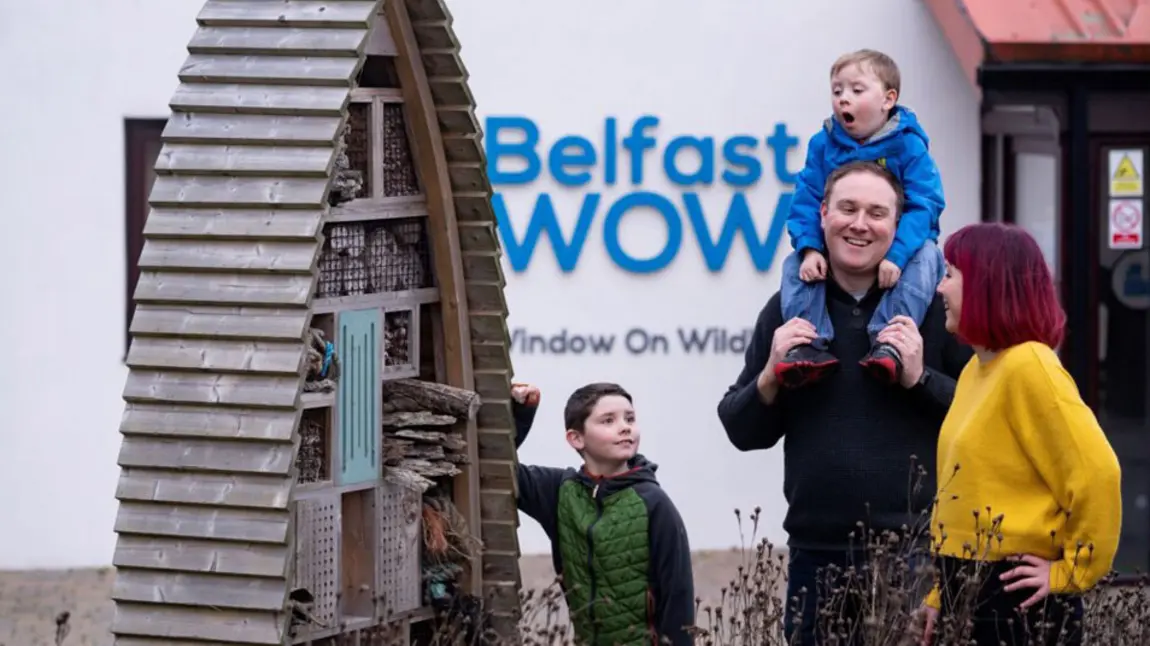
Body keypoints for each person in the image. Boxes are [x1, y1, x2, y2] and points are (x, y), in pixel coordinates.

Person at [716, 161, 971, 646]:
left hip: (914, 552)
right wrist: (771, 374)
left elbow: (979, 422)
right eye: (847, 208)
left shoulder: (938, 312)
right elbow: (741, 430)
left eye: (877, 213)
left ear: (898, 226)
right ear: (822, 214)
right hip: (814, 555)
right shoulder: (788, 309)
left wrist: (920, 379)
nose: (859, 224)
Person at [918, 223, 1122, 646]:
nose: (940, 288)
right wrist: (943, 592)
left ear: (986, 285)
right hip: (968, 588)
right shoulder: (978, 369)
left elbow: (1097, 473)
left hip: (1015, 599)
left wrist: (1073, 571)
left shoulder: (1030, 367)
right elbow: (967, 492)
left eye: (951, 274)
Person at [777, 49, 947, 388]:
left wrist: (897, 255)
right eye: (837, 90)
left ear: (888, 99)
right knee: (794, 266)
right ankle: (809, 343)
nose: (843, 99)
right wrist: (810, 247)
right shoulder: (824, 144)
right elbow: (807, 198)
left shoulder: (908, 146)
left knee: (929, 258)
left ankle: (890, 342)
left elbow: (925, 204)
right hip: (841, 251)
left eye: (856, 90)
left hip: (903, 247)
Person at [509, 381, 696, 646]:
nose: (624, 427)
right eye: (608, 421)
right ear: (576, 438)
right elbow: (500, 472)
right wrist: (522, 415)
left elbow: (679, 598)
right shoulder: (560, 493)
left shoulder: (654, 503)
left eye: (629, 418)